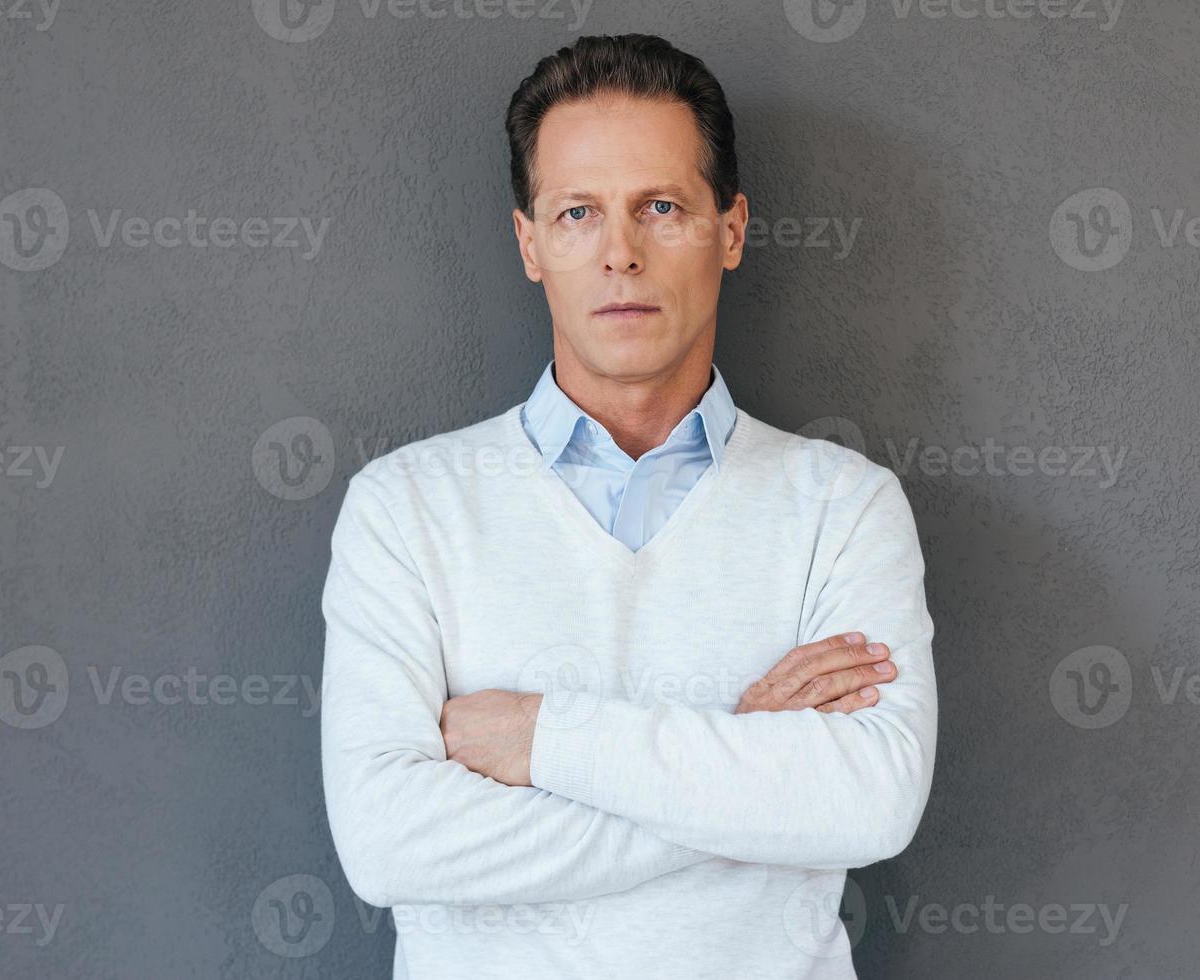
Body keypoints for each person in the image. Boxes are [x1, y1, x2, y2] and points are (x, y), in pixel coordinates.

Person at [319, 32, 937, 979]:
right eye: (576, 213)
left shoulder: (844, 508)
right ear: (529, 243)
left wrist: (539, 738)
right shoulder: (405, 509)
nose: (620, 254)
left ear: (729, 229)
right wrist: (746, 764)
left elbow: (870, 804)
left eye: (659, 206)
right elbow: (388, 844)